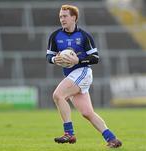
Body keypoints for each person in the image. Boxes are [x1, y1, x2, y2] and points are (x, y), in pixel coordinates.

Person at [46, 4, 122, 148]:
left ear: (74, 17)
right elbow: (49, 56)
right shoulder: (55, 36)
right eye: (60, 16)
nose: (62, 19)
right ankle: (112, 139)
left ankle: (69, 133)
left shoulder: (84, 36)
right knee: (87, 113)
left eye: (65, 16)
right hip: (72, 75)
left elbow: (95, 58)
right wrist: (55, 59)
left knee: (58, 96)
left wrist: (78, 60)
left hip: (83, 72)